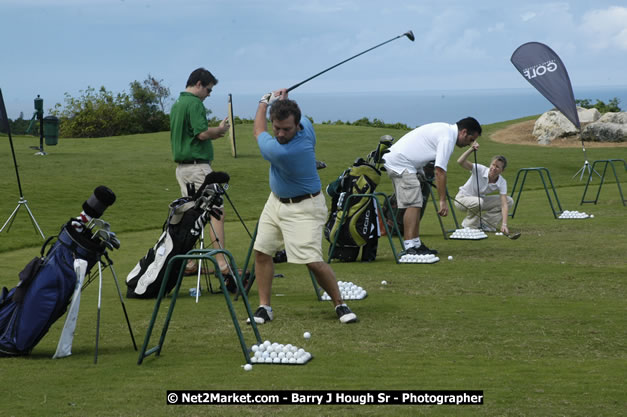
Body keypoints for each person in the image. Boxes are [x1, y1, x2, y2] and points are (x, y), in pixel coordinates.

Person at [249, 88, 357, 325]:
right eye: (276, 127)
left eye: (286, 129)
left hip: (305, 206)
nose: (279, 133)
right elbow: (283, 117)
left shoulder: (286, 150)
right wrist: (282, 100)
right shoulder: (305, 123)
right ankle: (264, 307)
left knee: (313, 262)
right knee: (262, 251)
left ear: (297, 126)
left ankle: (339, 303)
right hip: (275, 201)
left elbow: (258, 130)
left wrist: (263, 102)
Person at [383, 117, 482, 255]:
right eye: (471, 139)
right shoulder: (447, 138)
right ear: (464, 132)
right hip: (399, 162)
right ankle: (409, 246)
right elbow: (439, 171)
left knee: (417, 202)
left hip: (406, 164)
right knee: (413, 203)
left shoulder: (446, 131)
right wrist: (442, 201)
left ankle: (416, 244)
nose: (469, 144)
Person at [169, 68, 231, 277]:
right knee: (215, 212)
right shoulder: (194, 103)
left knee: (191, 215)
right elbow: (202, 133)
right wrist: (220, 131)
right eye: (208, 89)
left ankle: (188, 263)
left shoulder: (178, 104)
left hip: (183, 168)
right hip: (197, 167)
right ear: (198, 84)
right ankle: (222, 265)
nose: (208, 94)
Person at [454, 142, 513, 234]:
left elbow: (504, 204)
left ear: (502, 170)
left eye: (497, 167)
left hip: (479, 202)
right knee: (478, 201)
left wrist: (504, 224)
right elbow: (460, 161)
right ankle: (468, 225)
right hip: (461, 200)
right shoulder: (480, 169)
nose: (493, 168)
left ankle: (486, 225)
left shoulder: (502, 182)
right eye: (493, 165)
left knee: (509, 201)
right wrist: (471, 149)